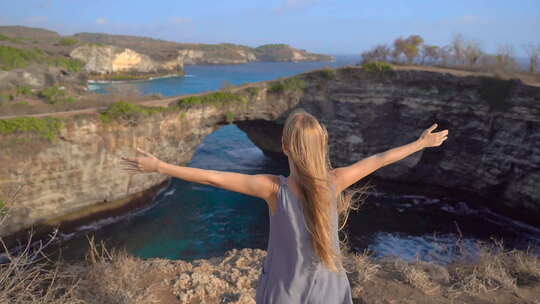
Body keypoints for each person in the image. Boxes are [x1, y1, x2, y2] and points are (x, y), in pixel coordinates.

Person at [120, 109, 449, 303]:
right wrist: (421, 143)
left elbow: (213, 178)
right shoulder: (335, 181)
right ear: (323, 144)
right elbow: (378, 159)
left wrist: (160, 167)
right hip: (330, 290)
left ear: (285, 147)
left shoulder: (274, 189)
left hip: (285, 291)